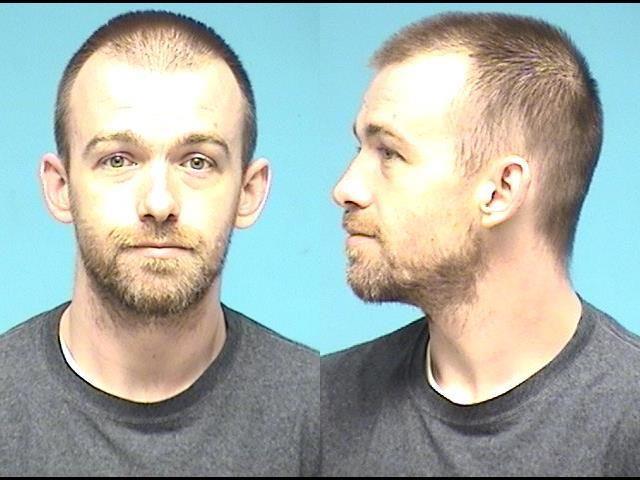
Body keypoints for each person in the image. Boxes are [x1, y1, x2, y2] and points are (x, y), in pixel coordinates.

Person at [0, 10, 318, 476]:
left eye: (197, 162)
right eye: (118, 160)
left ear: (248, 192)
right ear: (60, 187)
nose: (159, 203)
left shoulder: (322, 414)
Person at [321, 11, 640, 476]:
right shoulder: (325, 408)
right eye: (360, 149)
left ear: (500, 191)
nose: (346, 188)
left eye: (389, 152)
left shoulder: (628, 422)